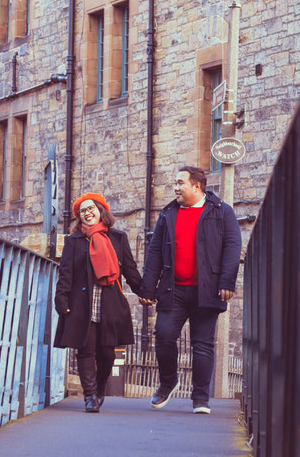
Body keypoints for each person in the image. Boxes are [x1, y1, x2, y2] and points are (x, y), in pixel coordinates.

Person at [139, 166, 242, 415]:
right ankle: (168, 382)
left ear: (197, 186)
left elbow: (233, 246)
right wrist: (147, 287)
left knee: (202, 345)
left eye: (180, 182)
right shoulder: (167, 214)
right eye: (175, 182)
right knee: (163, 335)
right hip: (173, 290)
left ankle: (200, 398)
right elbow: (154, 253)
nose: (176, 187)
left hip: (207, 291)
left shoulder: (222, 212)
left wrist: (227, 282)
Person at [54, 192, 141, 413]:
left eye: (91, 208)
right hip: (83, 303)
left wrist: (145, 291)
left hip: (109, 301)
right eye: (83, 211)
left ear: (101, 210)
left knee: (107, 352)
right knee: (85, 350)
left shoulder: (118, 238)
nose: (87, 213)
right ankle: (90, 396)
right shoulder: (73, 241)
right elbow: (65, 273)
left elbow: (129, 270)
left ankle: (100, 388)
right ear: (79, 217)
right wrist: (61, 299)